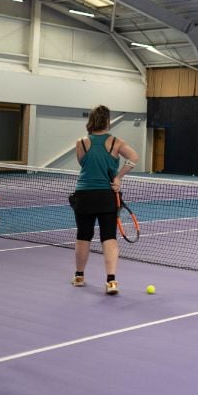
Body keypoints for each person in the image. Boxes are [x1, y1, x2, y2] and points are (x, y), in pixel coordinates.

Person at [70, 105, 139, 296]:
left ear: (91, 121)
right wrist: (118, 177)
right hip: (106, 196)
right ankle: (111, 281)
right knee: (109, 238)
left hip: (84, 195)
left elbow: (83, 163)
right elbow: (133, 158)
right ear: (107, 121)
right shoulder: (116, 143)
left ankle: (79, 276)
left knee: (83, 236)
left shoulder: (81, 143)